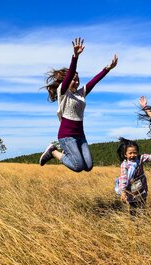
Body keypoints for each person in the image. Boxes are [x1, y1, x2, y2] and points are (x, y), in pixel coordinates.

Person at [39, 37, 118, 172]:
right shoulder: (63, 92)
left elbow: (94, 81)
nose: (76, 82)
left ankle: (57, 152)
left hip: (80, 135)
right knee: (77, 166)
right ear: (67, 81)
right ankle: (53, 151)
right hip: (66, 135)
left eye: (78, 80)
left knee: (88, 166)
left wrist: (108, 68)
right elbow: (69, 75)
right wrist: (75, 57)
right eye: (73, 80)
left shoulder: (81, 93)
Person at [115, 138, 151, 215]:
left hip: (142, 187)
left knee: (142, 205)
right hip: (131, 190)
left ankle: (142, 220)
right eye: (130, 153)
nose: (133, 155)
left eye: (135, 153)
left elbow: (150, 157)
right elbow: (123, 178)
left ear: (138, 153)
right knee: (133, 207)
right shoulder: (124, 165)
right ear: (125, 155)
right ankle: (134, 223)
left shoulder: (140, 158)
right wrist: (123, 192)